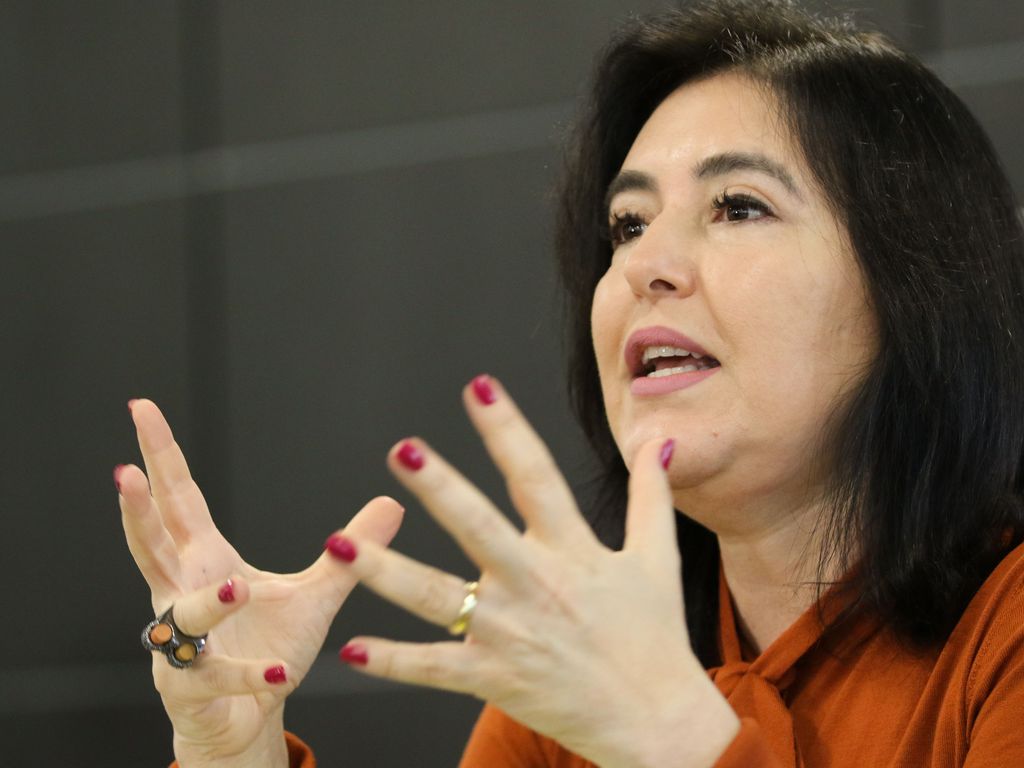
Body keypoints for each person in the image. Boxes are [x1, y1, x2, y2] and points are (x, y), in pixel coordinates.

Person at [118, 1, 1024, 765]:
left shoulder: (1005, 631)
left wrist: (674, 739)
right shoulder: (580, 666)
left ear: (918, 289)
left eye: (737, 206)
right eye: (627, 224)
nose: (646, 266)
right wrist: (234, 750)